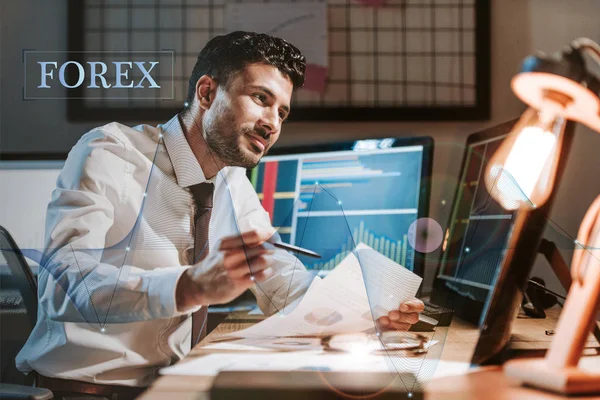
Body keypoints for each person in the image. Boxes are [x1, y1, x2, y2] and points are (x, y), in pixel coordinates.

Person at [16, 31, 424, 399]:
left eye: (282, 112)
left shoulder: (231, 182)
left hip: (173, 388)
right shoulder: (111, 152)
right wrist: (190, 286)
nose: (272, 124)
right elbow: (63, 286)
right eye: (261, 99)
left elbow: (283, 283)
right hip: (84, 392)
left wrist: (363, 318)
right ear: (207, 93)